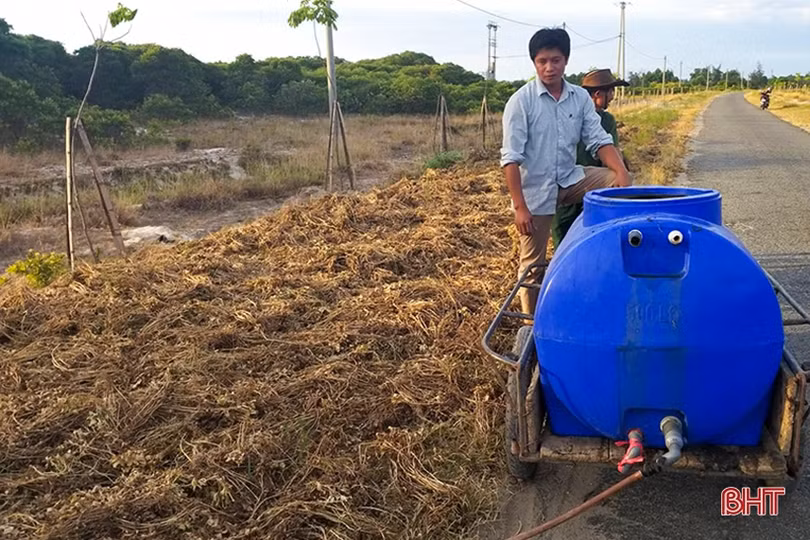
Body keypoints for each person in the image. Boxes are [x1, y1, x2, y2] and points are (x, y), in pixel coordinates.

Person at [500, 28, 633, 316]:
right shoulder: (521, 102)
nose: (550, 67)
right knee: (532, 264)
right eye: (542, 61)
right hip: (535, 190)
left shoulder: (579, 99)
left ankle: (600, 258)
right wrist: (520, 207)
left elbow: (599, 140)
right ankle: (530, 325)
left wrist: (621, 171)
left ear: (566, 61)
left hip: (570, 179)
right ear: (534, 63)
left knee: (617, 182)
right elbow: (510, 159)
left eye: (556, 60)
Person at [551, 68, 629, 249]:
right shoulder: (604, 120)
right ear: (598, 93)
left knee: (564, 246)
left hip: (574, 186)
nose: (612, 97)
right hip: (585, 189)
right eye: (611, 92)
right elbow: (613, 155)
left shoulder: (567, 114)